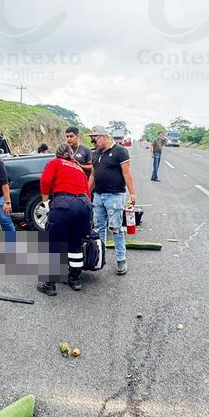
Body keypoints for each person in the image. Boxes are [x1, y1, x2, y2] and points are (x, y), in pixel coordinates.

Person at [37, 143, 93, 296]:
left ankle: (50, 284)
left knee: (54, 244)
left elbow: (45, 181)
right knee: (76, 243)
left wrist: (46, 201)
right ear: (70, 154)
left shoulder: (54, 163)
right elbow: (87, 191)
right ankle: (75, 279)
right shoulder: (78, 167)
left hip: (64, 203)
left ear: (57, 154)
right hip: (84, 205)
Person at [88, 125, 137, 275]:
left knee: (116, 229)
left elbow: (127, 174)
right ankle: (99, 258)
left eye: (94, 139)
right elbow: (93, 175)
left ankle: (121, 260)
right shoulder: (96, 154)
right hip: (98, 196)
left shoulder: (120, 151)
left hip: (114, 196)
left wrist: (132, 194)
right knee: (99, 229)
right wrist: (86, 192)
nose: (93, 143)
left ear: (103, 136)